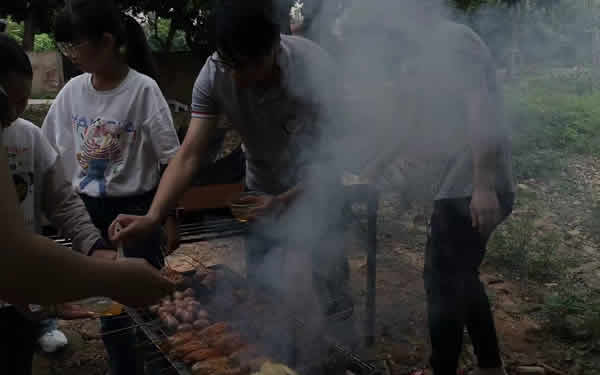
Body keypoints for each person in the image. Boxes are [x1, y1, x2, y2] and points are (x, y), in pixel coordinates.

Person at [111, 0, 348, 328]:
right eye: (228, 63)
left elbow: (335, 156)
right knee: (266, 292)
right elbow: (190, 154)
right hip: (261, 187)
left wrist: (285, 200)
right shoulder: (213, 74)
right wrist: (154, 216)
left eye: (246, 65)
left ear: (274, 47)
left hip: (317, 188)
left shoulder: (314, 70)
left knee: (329, 286)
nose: (236, 76)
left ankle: (339, 349)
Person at [341, 1, 514, 374]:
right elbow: (411, 122)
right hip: (459, 184)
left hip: (475, 183)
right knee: (459, 276)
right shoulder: (423, 54)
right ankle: (489, 365)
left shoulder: (452, 40)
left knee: (442, 280)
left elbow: (481, 109)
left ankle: (446, 367)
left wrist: (483, 185)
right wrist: (373, 167)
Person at [0, 33, 174, 375]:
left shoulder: (27, 137)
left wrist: (94, 247)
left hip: (21, 296)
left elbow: (63, 201)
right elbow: (12, 253)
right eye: (10, 102)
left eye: (24, 101)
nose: (15, 114)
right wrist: (105, 276)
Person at [41, 1, 180, 374]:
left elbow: (172, 158)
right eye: (65, 47)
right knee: (109, 305)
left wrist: (166, 216)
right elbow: (47, 150)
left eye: (74, 46)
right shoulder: (72, 92)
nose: (69, 55)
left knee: (149, 299)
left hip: (137, 210)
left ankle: (162, 365)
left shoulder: (143, 91)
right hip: (88, 211)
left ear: (105, 42)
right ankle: (124, 369)